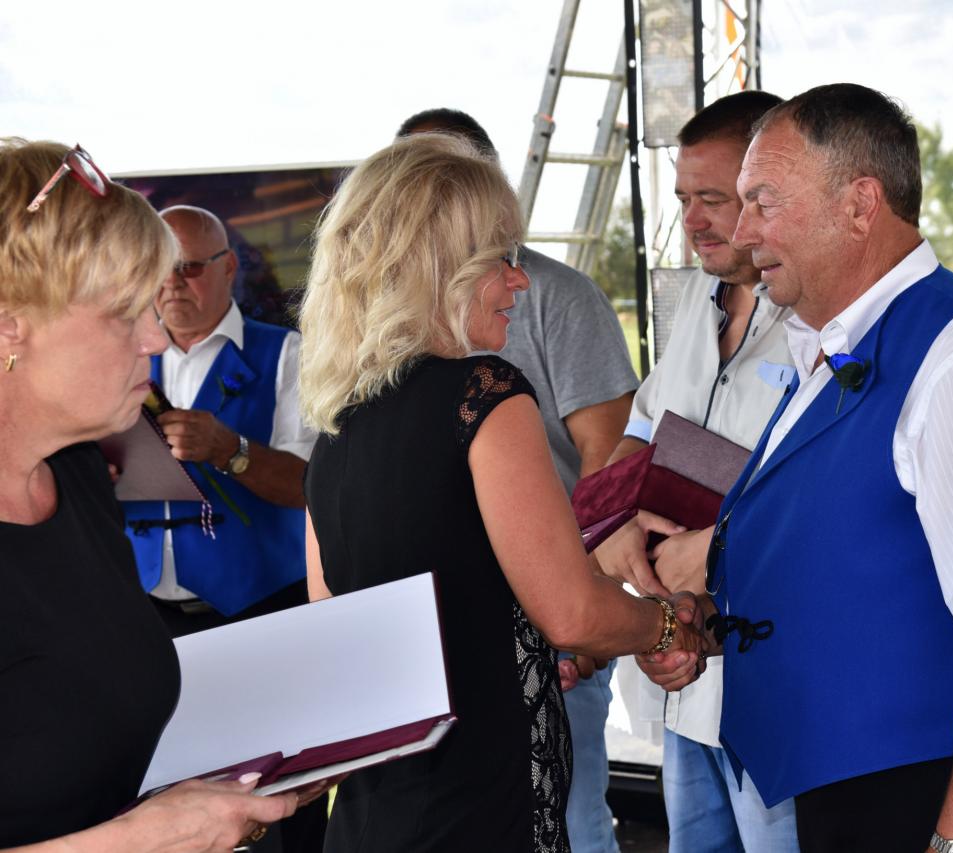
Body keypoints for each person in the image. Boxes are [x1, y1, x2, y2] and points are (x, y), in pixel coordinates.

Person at [641, 84, 953, 853]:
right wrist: (700, 624)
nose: (742, 231)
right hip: (849, 786)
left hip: (931, 791)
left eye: (763, 201)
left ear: (859, 204)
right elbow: (845, 564)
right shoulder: (830, 349)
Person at [298, 132, 704, 853]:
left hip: (374, 814)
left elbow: (336, 631)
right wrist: (669, 629)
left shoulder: (336, 422)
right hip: (479, 800)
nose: (520, 281)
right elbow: (570, 611)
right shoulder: (484, 394)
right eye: (500, 258)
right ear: (439, 268)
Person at [0, 138, 297, 851]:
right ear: (10, 321)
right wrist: (144, 838)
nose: (156, 340)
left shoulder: (75, 475)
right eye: (124, 311)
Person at [397, 107, 638, 853]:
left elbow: (610, 460)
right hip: (431, 633)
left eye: (445, 180)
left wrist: (584, 614)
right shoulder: (377, 322)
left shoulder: (556, 296)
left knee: (568, 820)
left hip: (549, 626)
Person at [592, 90, 801, 853]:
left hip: (778, 685)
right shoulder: (694, 303)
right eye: (684, 199)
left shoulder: (820, 317)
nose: (694, 220)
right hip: (682, 669)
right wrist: (612, 525)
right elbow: (640, 434)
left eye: (713, 198)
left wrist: (713, 550)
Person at [120, 205, 326, 852]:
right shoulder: (123, 354)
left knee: (281, 799)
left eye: (188, 267)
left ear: (229, 267)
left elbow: (313, 486)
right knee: (156, 797)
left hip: (260, 610)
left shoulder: (287, 354)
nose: (172, 284)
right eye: (159, 270)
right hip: (145, 617)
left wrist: (231, 450)